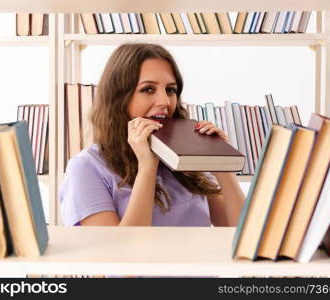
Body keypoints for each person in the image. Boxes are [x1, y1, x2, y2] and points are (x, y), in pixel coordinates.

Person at [60, 43, 245, 227]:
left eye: (170, 90)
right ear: (119, 99)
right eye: (148, 89)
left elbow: (239, 230)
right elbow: (119, 251)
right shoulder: (86, 167)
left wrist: (221, 163)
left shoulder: (185, 158)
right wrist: (147, 167)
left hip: (200, 257)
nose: (164, 101)